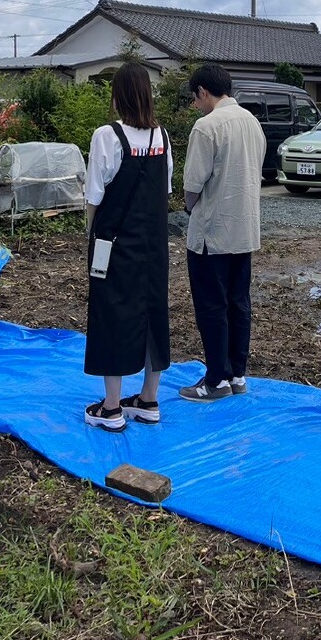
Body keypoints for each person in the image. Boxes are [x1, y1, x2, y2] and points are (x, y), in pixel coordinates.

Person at [83, 63, 173, 432]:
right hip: (154, 244)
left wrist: (90, 239)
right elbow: (164, 193)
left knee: (112, 314)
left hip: (114, 244)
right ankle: (149, 398)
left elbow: (94, 196)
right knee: (153, 311)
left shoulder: (107, 135)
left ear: (118, 96)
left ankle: (111, 407)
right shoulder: (162, 138)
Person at [180, 63, 266, 401]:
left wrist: (190, 207)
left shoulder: (206, 126)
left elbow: (192, 186)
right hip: (243, 228)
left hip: (212, 232)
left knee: (212, 305)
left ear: (203, 91)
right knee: (238, 302)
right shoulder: (251, 121)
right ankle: (237, 373)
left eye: (195, 98)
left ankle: (216, 378)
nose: (196, 105)